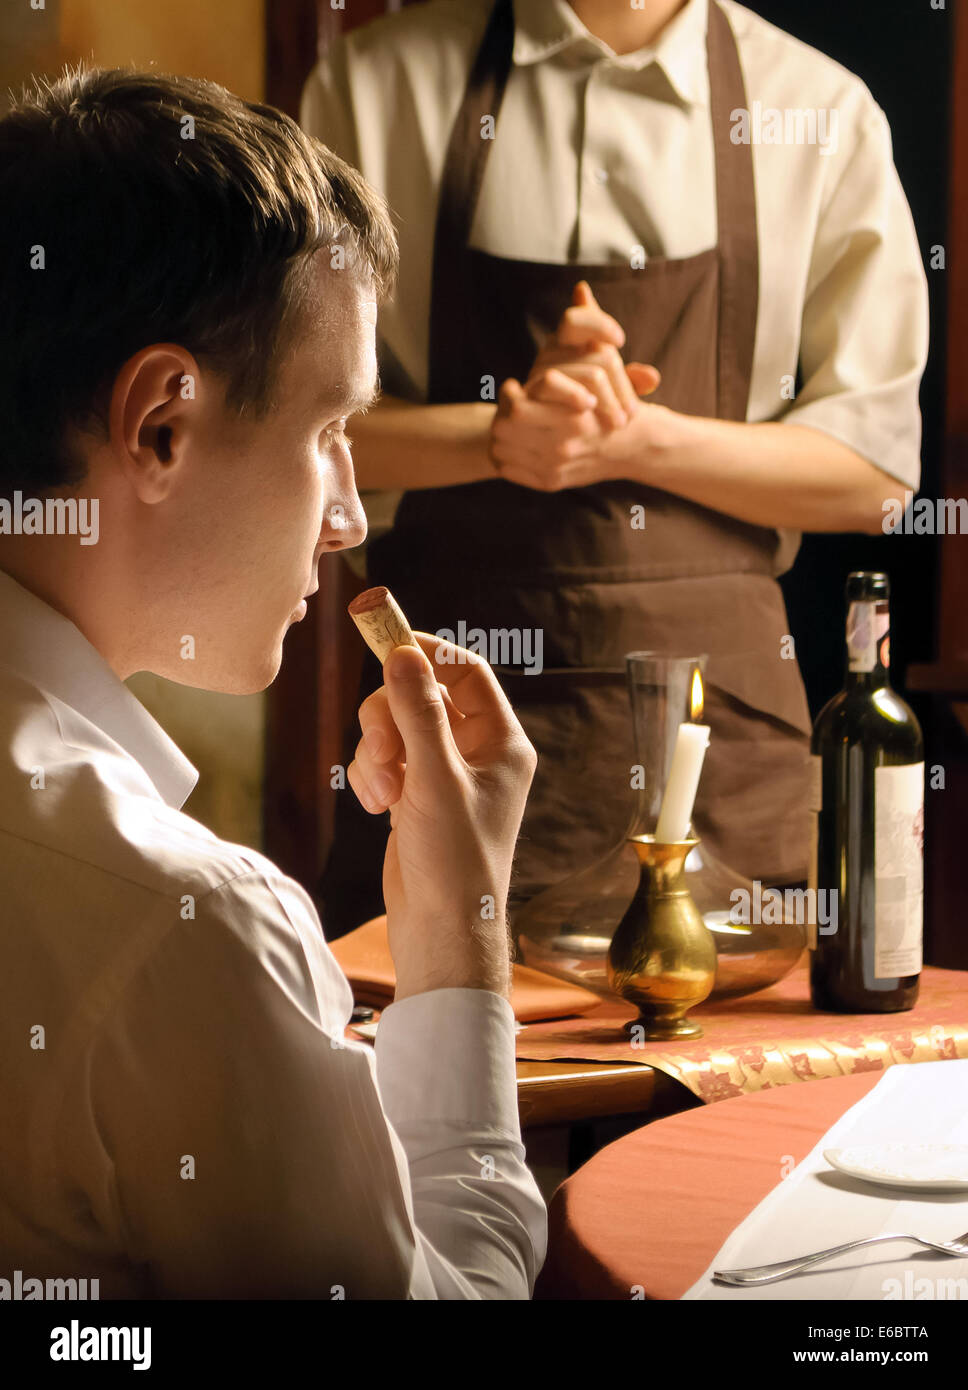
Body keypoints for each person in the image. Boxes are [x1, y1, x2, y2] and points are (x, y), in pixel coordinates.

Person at [0, 66, 546, 1299]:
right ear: (161, 427)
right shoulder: (185, 926)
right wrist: (461, 937)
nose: (348, 515)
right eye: (328, 429)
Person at [302, 0, 929, 938]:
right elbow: (286, 423)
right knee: (422, 1070)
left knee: (747, 1084)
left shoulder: (820, 109)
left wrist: (635, 440)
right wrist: (497, 435)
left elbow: (876, 478)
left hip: (726, 752)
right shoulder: (374, 87)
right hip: (450, 730)